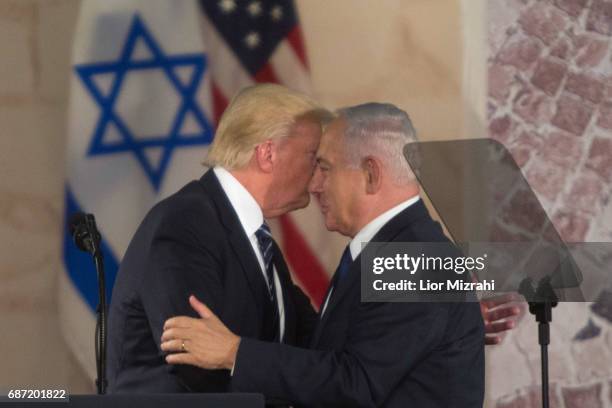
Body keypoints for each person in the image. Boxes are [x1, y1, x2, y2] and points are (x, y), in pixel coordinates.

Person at [161, 103, 487, 407]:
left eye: (325, 168)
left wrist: (234, 353)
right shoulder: (393, 249)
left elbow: (355, 383)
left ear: (371, 174)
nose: (314, 185)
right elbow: (332, 350)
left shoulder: (414, 258)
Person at [107, 84, 330, 392]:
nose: (320, 176)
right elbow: (197, 366)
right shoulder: (185, 225)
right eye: (312, 157)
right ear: (267, 154)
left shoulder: (260, 244)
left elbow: (313, 344)